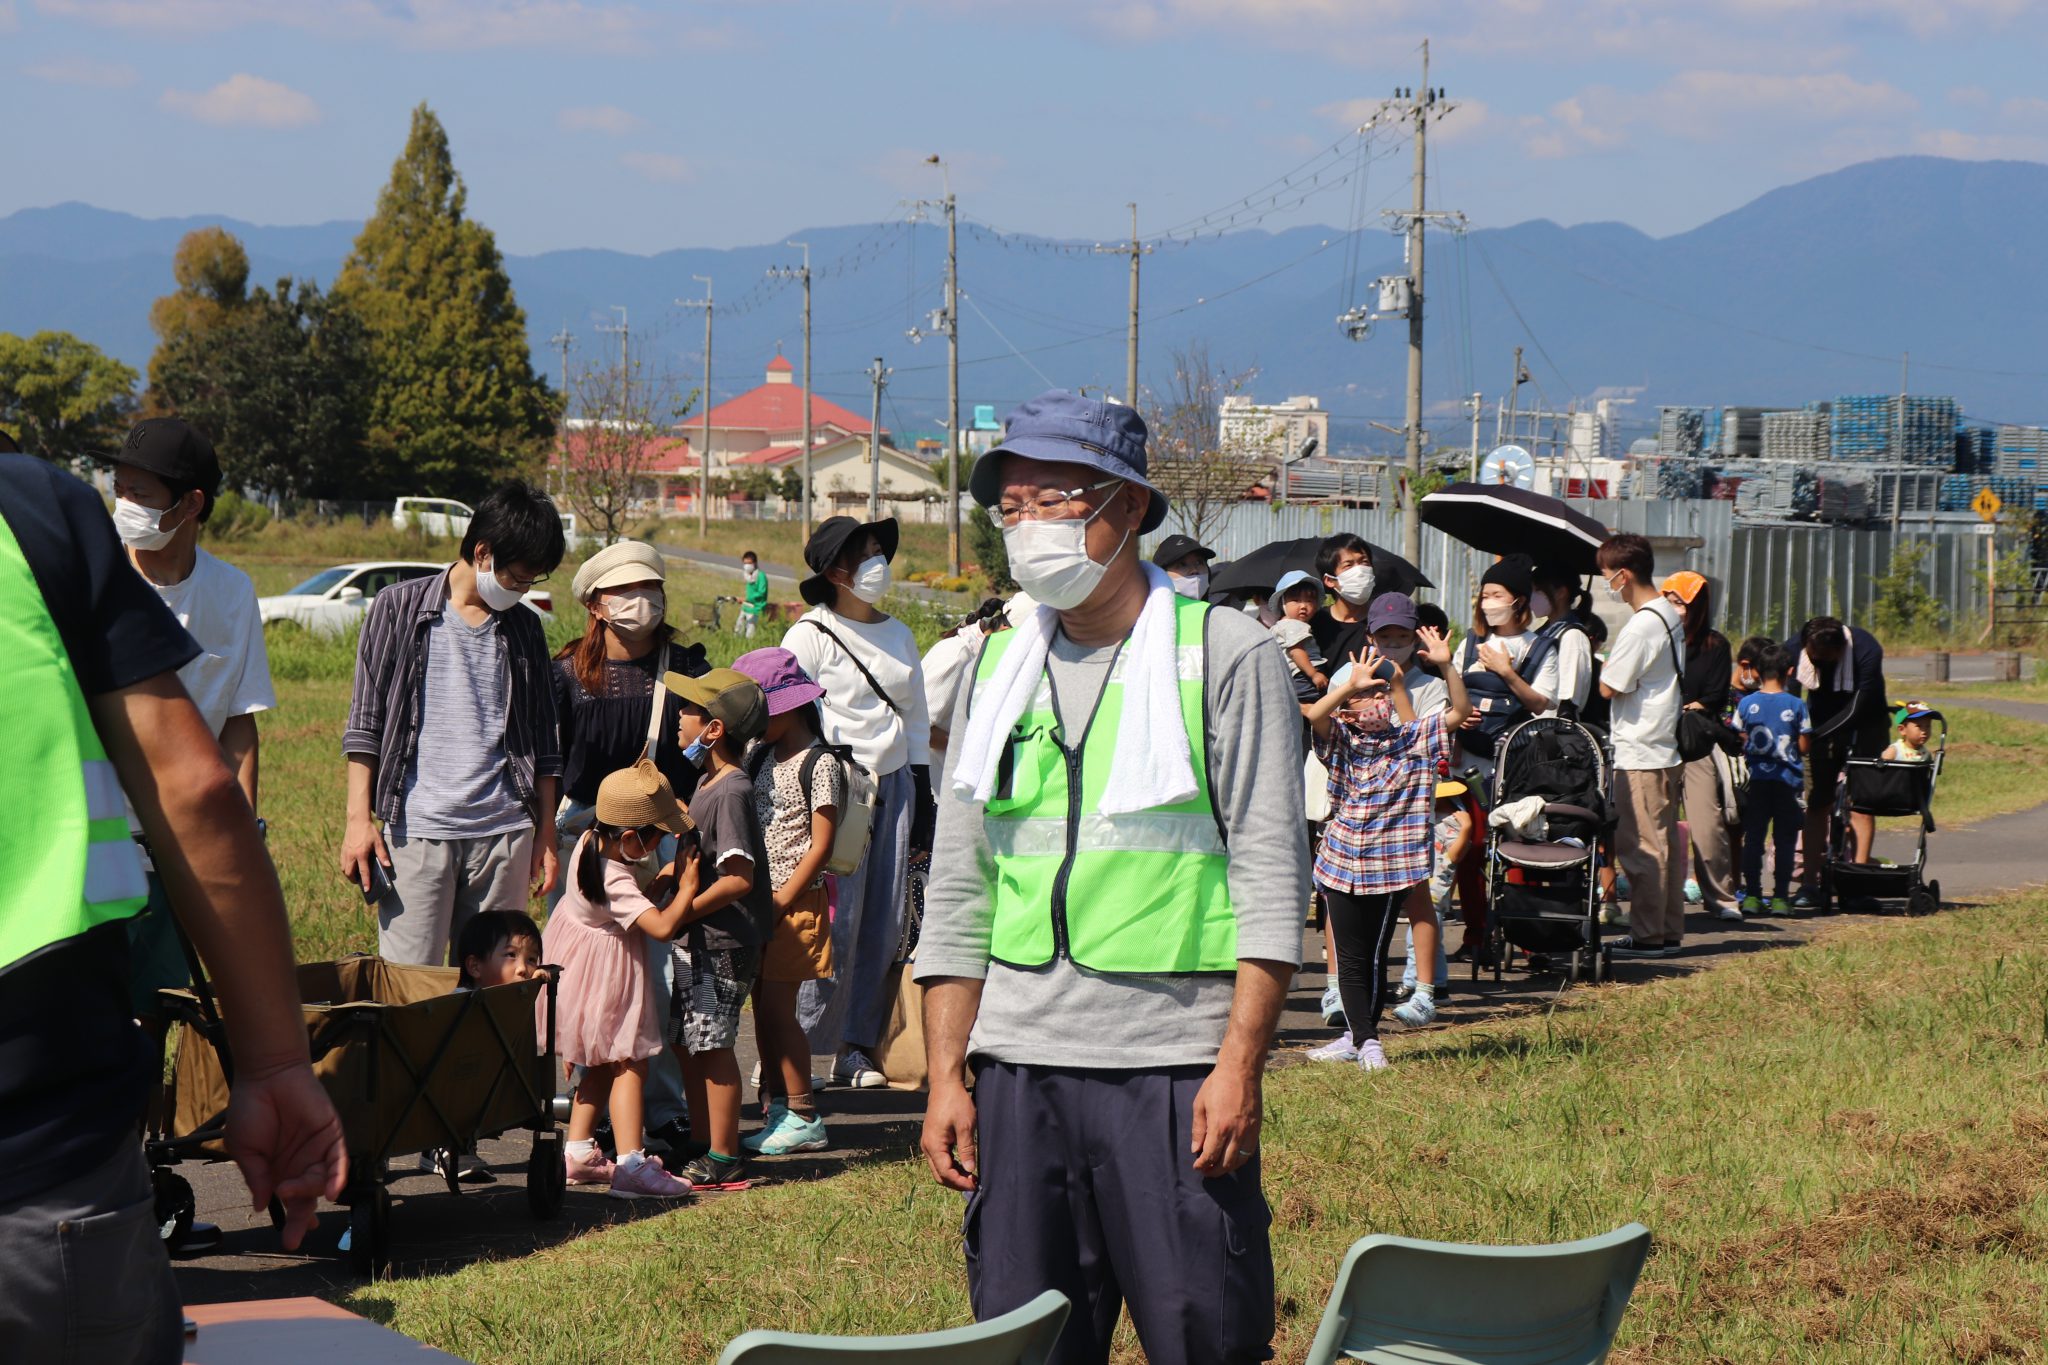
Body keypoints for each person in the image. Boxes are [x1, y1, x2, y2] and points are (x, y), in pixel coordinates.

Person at [917, 389, 1307, 1365]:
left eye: (1053, 500)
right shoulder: (993, 669)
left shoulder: (1226, 655)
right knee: (1027, 1345)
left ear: (1127, 507)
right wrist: (945, 1075)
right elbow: (958, 887)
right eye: (1012, 507)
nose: (1028, 526)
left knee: (1203, 1336)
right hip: (1019, 1071)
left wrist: (1238, 1064)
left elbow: (1270, 878)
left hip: (1170, 1072)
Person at [0, 449, 344, 1361]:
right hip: (44, 1165)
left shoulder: (226, 590)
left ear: (191, 504)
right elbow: (195, 788)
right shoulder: (30, 512)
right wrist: (276, 1061)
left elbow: (236, 740)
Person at [100, 419, 277, 1040]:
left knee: (160, 1011)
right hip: (96, 845)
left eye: (140, 493)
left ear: (191, 504)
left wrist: (241, 840)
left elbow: (239, 727)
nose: (124, 505)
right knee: (89, 1014)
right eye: (119, 488)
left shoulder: (231, 593)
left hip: (184, 850)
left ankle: (151, 1106)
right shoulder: (95, 580)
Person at [340, 480, 566, 966]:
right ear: (482, 552)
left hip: (505, 834)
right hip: (418, 831)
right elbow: (365, 722)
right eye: (517, 578)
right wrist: (358, 820)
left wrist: (545, 831)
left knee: (492, 988)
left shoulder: (525, 627)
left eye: (531, 582)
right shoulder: (397, 608)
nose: (522, 591)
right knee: (411, 983)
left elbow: (545, 739)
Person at [550, 539, 705, 1152]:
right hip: (585, 841)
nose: (641, 600)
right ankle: (592, 1109)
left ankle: (658, 1110)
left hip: (661, 835)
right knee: (588, 982)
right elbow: (548, 761)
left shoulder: (686, 666)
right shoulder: (566, 674)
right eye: (624, 591)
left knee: (656, 981)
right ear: (595, 605)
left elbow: (707, 750)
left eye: (650, 587)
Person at [785, 515, 932, 1089]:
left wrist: (922, 794)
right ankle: (796, 1048)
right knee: (831, 921)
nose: (878, 564)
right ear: (835, 572)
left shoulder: (900, 634)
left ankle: (854, 1048)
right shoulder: (809, 634)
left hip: (894, 785)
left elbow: (915, 718)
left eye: (879, 551)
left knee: (883, 921)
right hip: (837, 789)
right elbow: (790, 714)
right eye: (865, 554)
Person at [1304, 628, 1472, 1068]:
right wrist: (1349, 685)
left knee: (1373, 954)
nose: (1376, 700)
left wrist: (1445, 665)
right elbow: (1316, 715)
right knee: (1349, 956)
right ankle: (1360, 1039)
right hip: (1341, 861)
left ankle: (1364, 1039)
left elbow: (1460, 711)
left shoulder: (1412, 738)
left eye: (1381, 694)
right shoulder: (1341, 740)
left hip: (1389, 866)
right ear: (1348, 711)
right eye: (1366, 696)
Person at [546, 764, 697, 1199]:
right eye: (655, 838)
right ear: (629, 838)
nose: (658, 846)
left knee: (598, 1064)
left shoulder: (589, 843)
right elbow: (662, 927)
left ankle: (577, 1152)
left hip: (582, 973)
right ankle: (632, 1164)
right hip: (607, 978)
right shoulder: (614, 876)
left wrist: (660, 882)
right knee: (630, 1062)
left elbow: (629, 906)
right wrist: (686, 886)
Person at [664, 667, 776, 1191]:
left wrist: (683, 910)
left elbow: (738, 878)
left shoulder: (731, 789)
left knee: (712, 1046)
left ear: (713, 730)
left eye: (689, 709)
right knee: (689, 1043)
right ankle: (703, 1140)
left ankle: (724, 1156)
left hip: (721, 943)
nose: (679, 715)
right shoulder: (708, 781)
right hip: (698, 941)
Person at [733, 647, 843, 1157]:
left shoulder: (821, 763)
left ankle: (803, 1113)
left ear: (792, 707)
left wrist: (780, 901)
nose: (754, 726)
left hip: (794, 904)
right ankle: (777, 1104)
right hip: (763, 901)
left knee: (779, 1011)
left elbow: (821, 846)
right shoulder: (760, 753)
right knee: (763, 1009)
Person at [1597, 534, 1688, 960]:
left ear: (1624, 575)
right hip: (1663, 744)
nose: (1607, 584)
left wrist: (1606, 667)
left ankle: (1648, 935)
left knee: (1641, 847)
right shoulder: (1668, 612)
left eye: (1606, 575)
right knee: (1662, 843)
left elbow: (1609, 686)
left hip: (1639, 748)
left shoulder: (1641, 624)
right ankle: (1666, 930)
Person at [1367, 592, 1450, 1020]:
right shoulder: (1354, 677)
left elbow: (1420, 739)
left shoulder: (1431, 687)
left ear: (1415, 640)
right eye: (1385, 638)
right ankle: (1348, 989)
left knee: (1417, 898)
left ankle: (1425, 991)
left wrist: (1398, 687)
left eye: (1401, 638)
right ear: (1370, 639)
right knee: (1355, 904)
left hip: (1411, 807)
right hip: (1364, 806)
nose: (1393, 646)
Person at [1785, 616, 1888, 904]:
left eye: (1825, 659)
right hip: (1819, 723)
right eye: (1813, 658)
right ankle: (1809, 884)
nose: (1818, 664)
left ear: (1841, 649)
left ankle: (1857, 881)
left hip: (1866, 724)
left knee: (1861, 805)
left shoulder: (1866, 648)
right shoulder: (1795, 647)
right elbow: (1789, 693)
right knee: (1818, 802)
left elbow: (1859, 705)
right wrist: (1798, 731)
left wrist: (1818, 735)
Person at [1662, 571, 1739, 922]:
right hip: (1659, 742)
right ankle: (1662, 897)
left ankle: (1721, 896)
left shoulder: (1714, 645)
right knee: (1659, 825)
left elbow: (1714, 696)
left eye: (1679, 602)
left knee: (1707, 825)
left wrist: (1689, 707)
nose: (1673, 608)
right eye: (1668, 600)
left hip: (1696, 744)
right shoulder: (1658, 638)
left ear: (1697, 606)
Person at [1453, 554, 1562, 780]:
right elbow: (1451, 694)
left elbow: (1539, 704)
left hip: (1509, 761)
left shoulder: (1538, 647)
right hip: (1463, 761)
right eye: (1485, 596)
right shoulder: (1471, 642)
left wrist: (1506, 672)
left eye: (1497, 595)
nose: (1488, 602)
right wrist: (1458, 715)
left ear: (1519, 601)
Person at [1735, 646, 1810, 917]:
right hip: (1787, 781)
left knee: (1753, 838)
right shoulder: (1796, 705)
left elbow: (1738, 734)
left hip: (1756, 780)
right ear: (1790, 671)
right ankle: (1780, 897)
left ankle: (1753, 896)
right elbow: (1804, 745)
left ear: (1756, 671)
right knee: (1785, 840)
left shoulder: (1746, 704)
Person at [1405, 779, 1472, 1000]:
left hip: (1435, 888)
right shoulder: (1432, 817)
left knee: (1417, 939)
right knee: (1431, 939)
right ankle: (1439, 986)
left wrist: (1466, 829)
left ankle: (1413, 983)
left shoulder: (1454, 821)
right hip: (1427, 885)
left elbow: (1455, 855)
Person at [1529, 560, 1597, 717]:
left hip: (1550, 728)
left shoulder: (1572, 636)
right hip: (1533, 726)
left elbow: (1569, 698)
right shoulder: (1544, 632)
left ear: (1561, 593)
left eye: (1538, 591)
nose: (1532, 597)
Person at [1309, 531, 1378, 669]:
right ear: (1329, 580)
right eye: (1348, 565)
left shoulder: (1384, 620)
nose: (1360, 571)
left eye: (1364, 562)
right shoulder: (1314, 625)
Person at [1270, 569, 1329, 701]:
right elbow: (1296, 651)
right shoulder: (1294, 625)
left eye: (1309, 601)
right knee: (1314, 702)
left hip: (1296, 676)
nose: (1303, 606)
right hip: (1304, 675)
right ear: (1282, 603)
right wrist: (1313, 674)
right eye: (1296, 600)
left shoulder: (1280, 625)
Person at [456, 910, 544, 989]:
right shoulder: (458, 1002)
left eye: (531, 959)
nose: (523, 968)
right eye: (511, 955)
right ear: (475, 967)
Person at [1151, 533, 1217, 600]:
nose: (1194, 570)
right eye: (1182, 565)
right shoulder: (1152, 606)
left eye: (1199, 563)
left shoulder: (1216, 606)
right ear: (1162, 574)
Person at [739, 549, 769, 638]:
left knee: (749, 635)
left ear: (755, 563)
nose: (747, 566)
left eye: (749, 563)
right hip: (746, 607)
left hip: (755, 609)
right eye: (745, 563)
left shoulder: (760, 576)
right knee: (738, 631)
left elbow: (761, 592)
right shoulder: (748, 576)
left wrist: (746, 599)